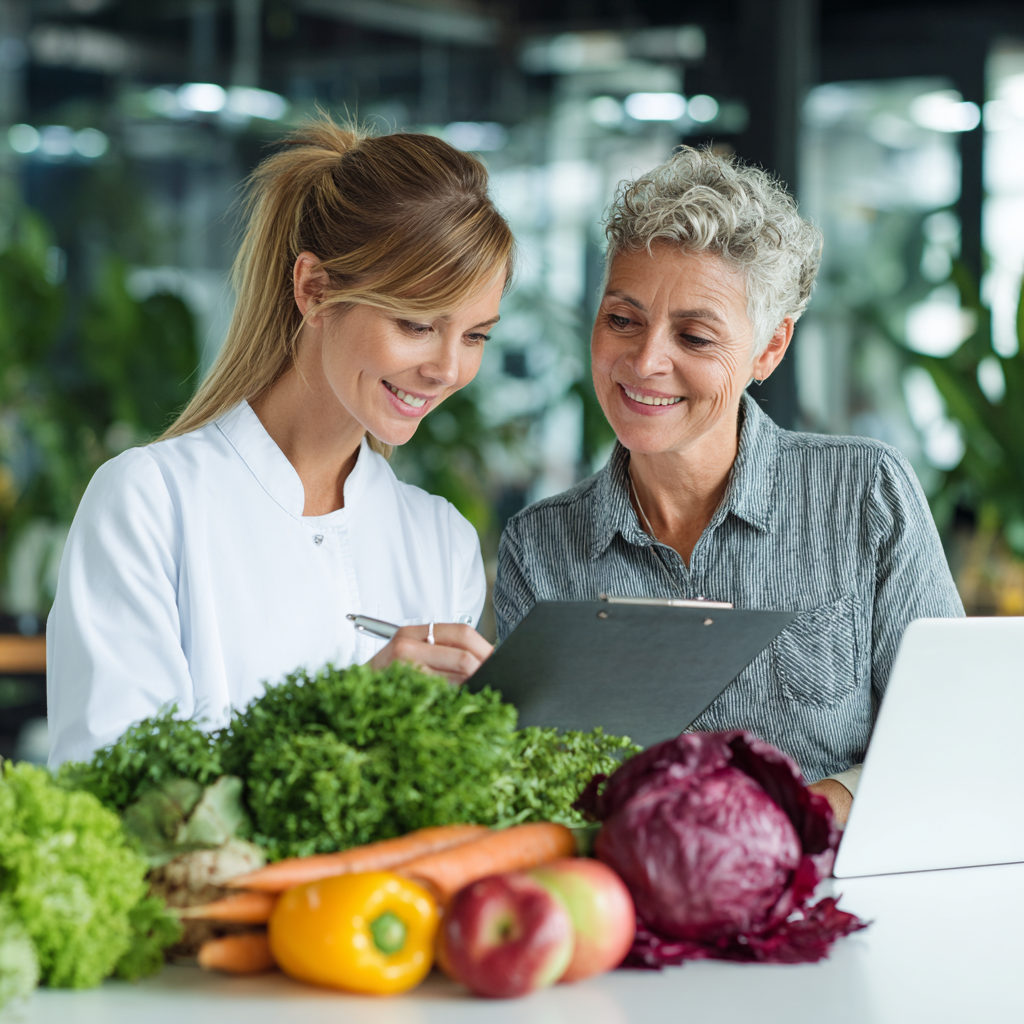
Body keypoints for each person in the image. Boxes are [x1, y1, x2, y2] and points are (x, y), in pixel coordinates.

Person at [493, 147, 963, 824]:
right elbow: (538, 792)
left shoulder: (864, 493)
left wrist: (802, 815)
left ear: (768, 350)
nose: (646, 361)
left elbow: (945, 727)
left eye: (694, 335)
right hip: (629, 914)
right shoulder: (539, 547)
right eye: (622, 320)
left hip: (839, 900)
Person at [47, 118, 513, 766]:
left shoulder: (441, 542)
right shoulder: (149, 503)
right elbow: (113, 785)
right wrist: (341, 717)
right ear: (314, 290)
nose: (447, 368)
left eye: (475, 336)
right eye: (416, 324)